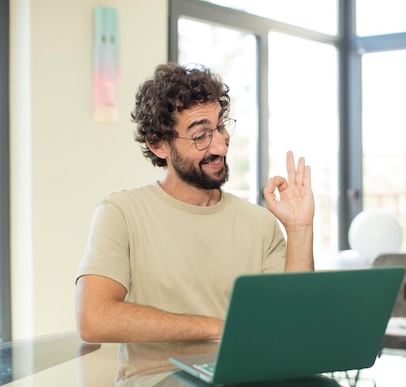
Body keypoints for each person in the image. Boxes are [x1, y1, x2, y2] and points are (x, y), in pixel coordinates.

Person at [75, 63, 314, 344]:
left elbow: (293, 322)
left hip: (247, 383)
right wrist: (218, 328)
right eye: (201, 135)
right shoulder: (122, 213)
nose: (220, 147)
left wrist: (299, 228)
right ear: (158, 144)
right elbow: (94, 318)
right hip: (158, 382)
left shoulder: (259, 223)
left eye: (221, 128)